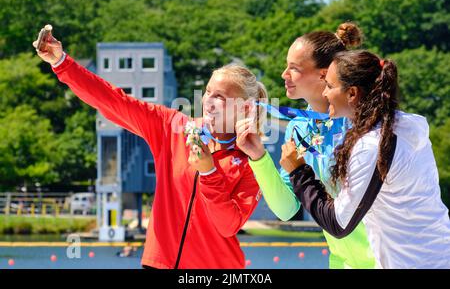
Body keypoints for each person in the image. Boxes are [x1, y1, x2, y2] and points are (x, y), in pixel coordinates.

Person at [32, 29, 267, 269]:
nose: (208, 101)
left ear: (245, 108)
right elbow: (114, 101)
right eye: (208, 91)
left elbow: (228, 225)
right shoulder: (173, 127)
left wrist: (209, 173)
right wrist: (62, 63)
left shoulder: (253, 160)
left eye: (220, 97)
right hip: (158, 263)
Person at [281, 50, 450, 268]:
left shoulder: (373, 145)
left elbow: (338, 224)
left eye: (330, 86)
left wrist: (298, 172)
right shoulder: (405, 126)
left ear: (352, 93)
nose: (324, 94)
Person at [236, 22, 377, 268]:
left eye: (294, 68)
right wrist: (258, 157)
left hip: (387, 259)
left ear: (325, 74)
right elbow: (286, 209)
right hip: (341, 262)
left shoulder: (363, 122)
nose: (284, 75)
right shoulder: (299, 128)